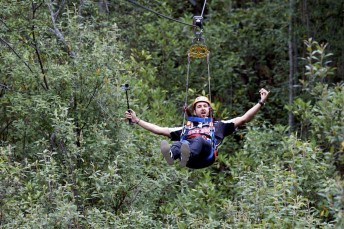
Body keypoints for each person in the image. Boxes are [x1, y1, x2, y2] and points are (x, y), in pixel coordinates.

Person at [125, 88, 270, 169]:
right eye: (199, 107)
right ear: (194, 111)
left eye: (204, 106)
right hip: (190, 161)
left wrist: (261, 103)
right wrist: (137, 120)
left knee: (199, 139)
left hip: (206, 156)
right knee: (178, 143)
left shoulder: (219, 125)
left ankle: (185, 154)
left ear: (209, 110)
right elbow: (160, 130)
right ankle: (173, 155)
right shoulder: (187, 128)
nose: (202, 109)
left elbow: (244, 118)